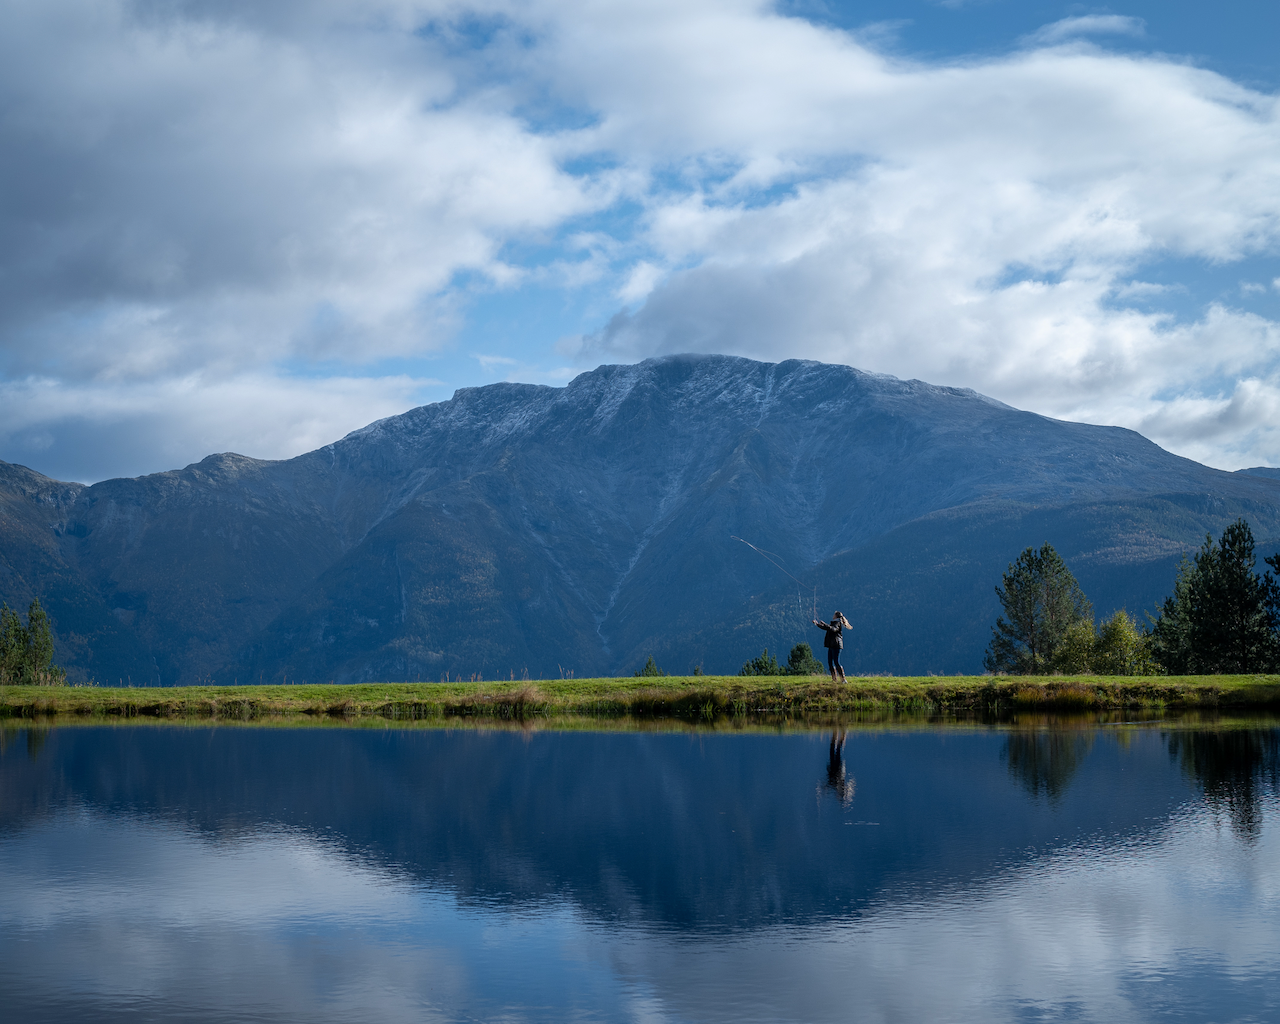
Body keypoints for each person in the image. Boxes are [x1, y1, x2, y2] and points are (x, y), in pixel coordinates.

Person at [813, 611, 849, 683]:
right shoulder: (834, 623)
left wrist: (824, 624)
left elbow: (833, 629)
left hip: (836, 645)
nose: (833, 615)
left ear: (836, 616)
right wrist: (817, 624)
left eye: (834, 614)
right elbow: (828, 628)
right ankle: (834, 679)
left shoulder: (837, 623)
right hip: (832, 645)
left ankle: (843, 679)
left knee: (836, 662)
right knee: (830, 662)